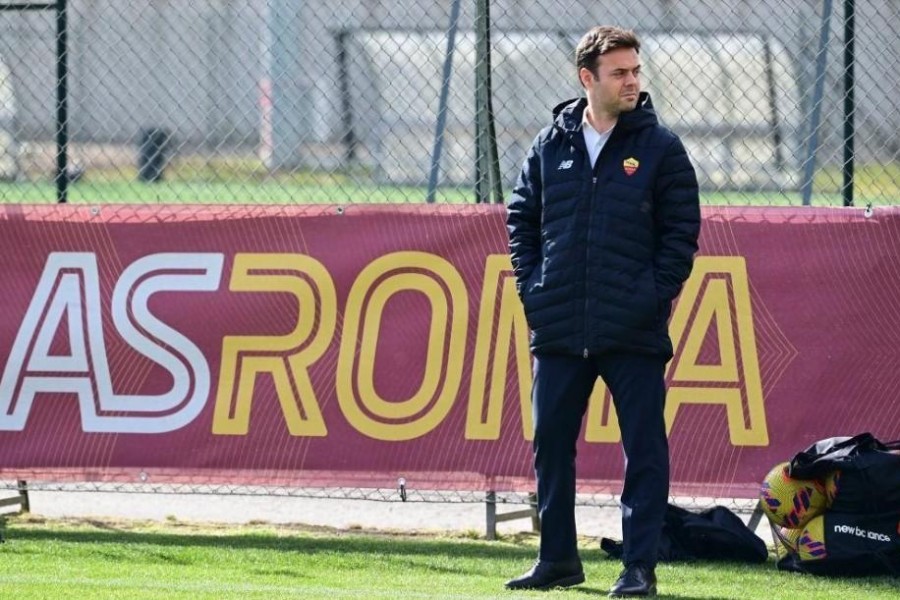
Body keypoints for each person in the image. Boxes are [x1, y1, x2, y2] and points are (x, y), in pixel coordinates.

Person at [504, 26, 701, 597]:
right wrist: (535, 289)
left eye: (636, 70)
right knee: (551, 445)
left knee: (644, 448)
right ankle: (558, 560)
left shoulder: (661, 148)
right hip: (560, 323)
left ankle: (638, 567)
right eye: (620, 72)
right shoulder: (549, 144)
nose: (633, 80)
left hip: (632, 327)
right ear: (587, 78)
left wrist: (651, 296)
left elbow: (681, 233)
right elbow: (522, 220)